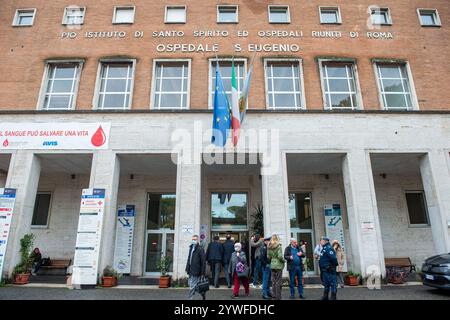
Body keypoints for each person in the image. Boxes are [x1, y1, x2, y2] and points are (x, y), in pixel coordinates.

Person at [186, 235, 207, 300]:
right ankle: (202, 293)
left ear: (197, 240)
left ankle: (190, 298)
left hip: (196, 270)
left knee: (192, 285)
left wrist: (202, 273)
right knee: (191, 284)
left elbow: (203, 262)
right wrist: (187, 268)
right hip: (190, 269)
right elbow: (189, 258)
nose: (193, 240)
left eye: (195, 239)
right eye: (193, 239)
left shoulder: (200, 249)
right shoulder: (191, 247)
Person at [319, 236, 338, 300]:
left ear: (325, 241)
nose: (320, 242)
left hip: (329, 270)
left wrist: (332, 266)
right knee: (326, 284)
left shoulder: (328, 248)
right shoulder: (324, 248)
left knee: (333, 284)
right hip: (325, 270)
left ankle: (333, 297)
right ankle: (325, 296)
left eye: (321, 240)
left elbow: (333, 258)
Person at [267, 234, 284, 300]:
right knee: (278, 282)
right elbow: (280, 256)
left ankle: (273, 296)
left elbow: (268, 257)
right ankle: (278, 297)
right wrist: (283, 260)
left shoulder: (269, 246)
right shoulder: (278, 246)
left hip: (272, 265)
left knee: (273, 282)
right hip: (279, 265)